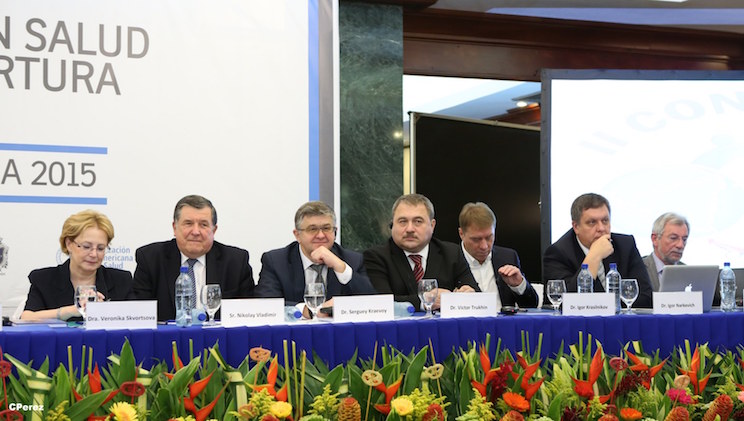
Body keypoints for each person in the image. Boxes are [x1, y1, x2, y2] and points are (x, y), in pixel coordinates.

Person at [133, 194, 255, 321]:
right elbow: (139, 316)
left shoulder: (236, 262)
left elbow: (248, 315)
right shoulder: (150, 259)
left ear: (214, 230)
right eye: (188, 223)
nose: (196, 232)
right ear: (175, 228)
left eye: (203, 225)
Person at [255, 201, 376, 316]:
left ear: (335, 232)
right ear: (297, 235)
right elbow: (266, 305)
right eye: (312, 229)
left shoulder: (352, 260)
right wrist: (307, 311)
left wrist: (340, 267)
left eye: (326, 228)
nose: (321, 235)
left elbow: (372, 303)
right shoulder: (276, 261)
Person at [364, 193, 479, 310]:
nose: (409, 229)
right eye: (403, 221)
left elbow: (476, 295)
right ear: (392, 224)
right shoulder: (375, 257)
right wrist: (426, 300)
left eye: (418, 221)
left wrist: (469, 295)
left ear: (432, 225)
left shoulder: (452, 253)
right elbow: (381, 303)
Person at [543, 193, 653, 308]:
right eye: (592, 222)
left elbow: (646, 297)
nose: (601, 228)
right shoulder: (557, 253)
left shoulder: (625, 245)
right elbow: (565, 303)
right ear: (576, 227)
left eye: (605, 221)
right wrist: (594, 256)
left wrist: (608, 307)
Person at [21, 210, 134, 321]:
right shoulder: (44, 279)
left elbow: (135, 318)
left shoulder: (121, 280)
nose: (94, 254)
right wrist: (71, 310)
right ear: (69, 244)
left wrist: (105, 311)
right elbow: (26, 318)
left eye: (100, 248)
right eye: (86, 246)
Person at [458, 202, 538, 308]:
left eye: (489, 237)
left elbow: (532, 306)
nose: (484, 246)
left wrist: (519, 285)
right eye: (476, 239)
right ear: (461, 234)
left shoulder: (508, 257)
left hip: (503, 318)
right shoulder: (449, 260)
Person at [642, 212, 689, 291]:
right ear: (655, 239)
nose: (680, 245)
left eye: (684, 239)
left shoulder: (687, 272)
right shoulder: (640, 269)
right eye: (673, 238)